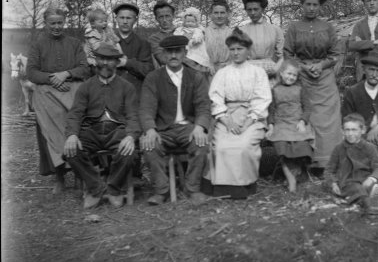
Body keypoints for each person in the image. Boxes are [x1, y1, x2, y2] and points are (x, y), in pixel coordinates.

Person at [63, 44, 139, 209]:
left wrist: (131, 136)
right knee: (71, 151)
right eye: (101, 59)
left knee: (129, 151)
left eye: (109, 60)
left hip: (117, 131)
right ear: (95, 61)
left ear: (117, 62)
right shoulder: (86, 86)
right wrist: (72, 135)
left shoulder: (127, 87)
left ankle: (114, 188)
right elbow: (75, 113)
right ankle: (95, 187)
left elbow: (133, 116)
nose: (105, 63)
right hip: (91, 130)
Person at [139, 35, 211, 206]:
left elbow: (203, 106)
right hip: (163, 129)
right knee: (149, 145)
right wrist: (150, 129)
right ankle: (161, 190)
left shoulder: (196, 76)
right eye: (169, 52)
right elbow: (146, 107)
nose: (173, 56)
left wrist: (200, 127)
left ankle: (192, 189)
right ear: (163, 54)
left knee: (201, 144)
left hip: (188, 128)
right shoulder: (153, 77)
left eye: (177, 51)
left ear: (185, 53)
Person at [27, 7, 90, 194]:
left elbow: (84, 68)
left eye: (60, 23)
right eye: (52, 23)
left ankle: (79, 175)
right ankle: (59, 176)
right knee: (50, 134)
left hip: (72, 91)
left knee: (77, 129)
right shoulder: (38, 45)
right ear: (45, 23)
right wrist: (52, 79)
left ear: (64, 22)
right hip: (47, 94)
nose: (56, 27)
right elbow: (31, 72)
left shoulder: (75, 43)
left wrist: (66, 74)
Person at [209, 28, 272, 199]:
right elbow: (216, 98)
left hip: (251, 117)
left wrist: (248, 122)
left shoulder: (258, 72)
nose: (236, 53)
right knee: (221, 146)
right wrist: (227, 120)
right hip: (227, 116)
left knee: (243, 145)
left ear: (248, 50)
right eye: (232, 49)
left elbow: (262, 99)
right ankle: (223, 188)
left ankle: (245, 185)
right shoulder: (222, 73)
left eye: (240, 49)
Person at [283, 0, 342, 169]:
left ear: (319, 6)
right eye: (308, 4)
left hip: (324, 77)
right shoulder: (294, 27)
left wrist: (321, 65)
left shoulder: (327, 27)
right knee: (304, 114)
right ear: (302, 5)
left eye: (315, 5)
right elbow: (287, 54)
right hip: (302, 75)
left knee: (328, 117)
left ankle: (328, 160)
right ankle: (307, 160)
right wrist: (303, 67)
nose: (311, 8)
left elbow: (335, 54)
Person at [325, 113, 378, 212]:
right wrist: (333, 183)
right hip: (349, 182)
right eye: (347, 130)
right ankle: (371, 205)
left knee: (377, 186)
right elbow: (329, 170)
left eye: (354, 130)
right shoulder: (339, 148)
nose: (350, 134)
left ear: (363, 130)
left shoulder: (370, 147)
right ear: (342, 131)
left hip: (366, 178)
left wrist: (372, 178)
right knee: (358, 190)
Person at [266, 59, 315, 192]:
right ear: (281, 73)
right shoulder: (275, 90)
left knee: (301, 145)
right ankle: (290, 178)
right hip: (281, 123)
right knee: (282, 147)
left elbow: (307, 108)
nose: (291, 77)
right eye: (289, 73)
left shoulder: (300, 89)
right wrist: (271, 125)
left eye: (294, 75)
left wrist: (303, 121)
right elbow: (271, 110)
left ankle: (297, 171)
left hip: (296, 122)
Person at [240, 0, 284, 76]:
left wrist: (275, 70)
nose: (252, 13)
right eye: (249, 10)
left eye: (256, 9)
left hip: (271, 71)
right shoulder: (241, 31)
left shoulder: (275, 30)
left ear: (263, 9)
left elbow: (282, 56)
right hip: (247, 71)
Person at [113, 2, 154, 94]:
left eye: (129, 18)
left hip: (134, 93)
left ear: (135, 20)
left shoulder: (143, 43)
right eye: (122, 18)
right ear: (116, 19)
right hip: (111, 92)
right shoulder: (107, 41)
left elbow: (149, 70)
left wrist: (127, 63)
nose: (125, 21)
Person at [174, 7, 212, 76]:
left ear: (196, 22)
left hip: (195, 48)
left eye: (192, 22)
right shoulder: (180, 29)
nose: (190, 24)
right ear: (184, 22)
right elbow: (176, 35)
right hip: (183, 50)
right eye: (188, 22)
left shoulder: (197, 30)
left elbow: (199, 36)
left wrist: (194, 40)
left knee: (195, 59)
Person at [205, 0, 233, 74]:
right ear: (210, 14)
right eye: (216, 13)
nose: (219, 16)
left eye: (222, 13)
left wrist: (229, 65)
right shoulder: (204, 33)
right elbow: (200, 53)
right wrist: (208, 64)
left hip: (228, 71)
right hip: (208, 71)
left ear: (227, 14)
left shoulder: (232, 33)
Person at [148, 1, 178, 68]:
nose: (164, 20)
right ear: (156, 19)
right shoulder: (154, 39)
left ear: (173, 16)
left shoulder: (182, 32)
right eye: (161, 17)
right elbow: (163, 59)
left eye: (167, 16)